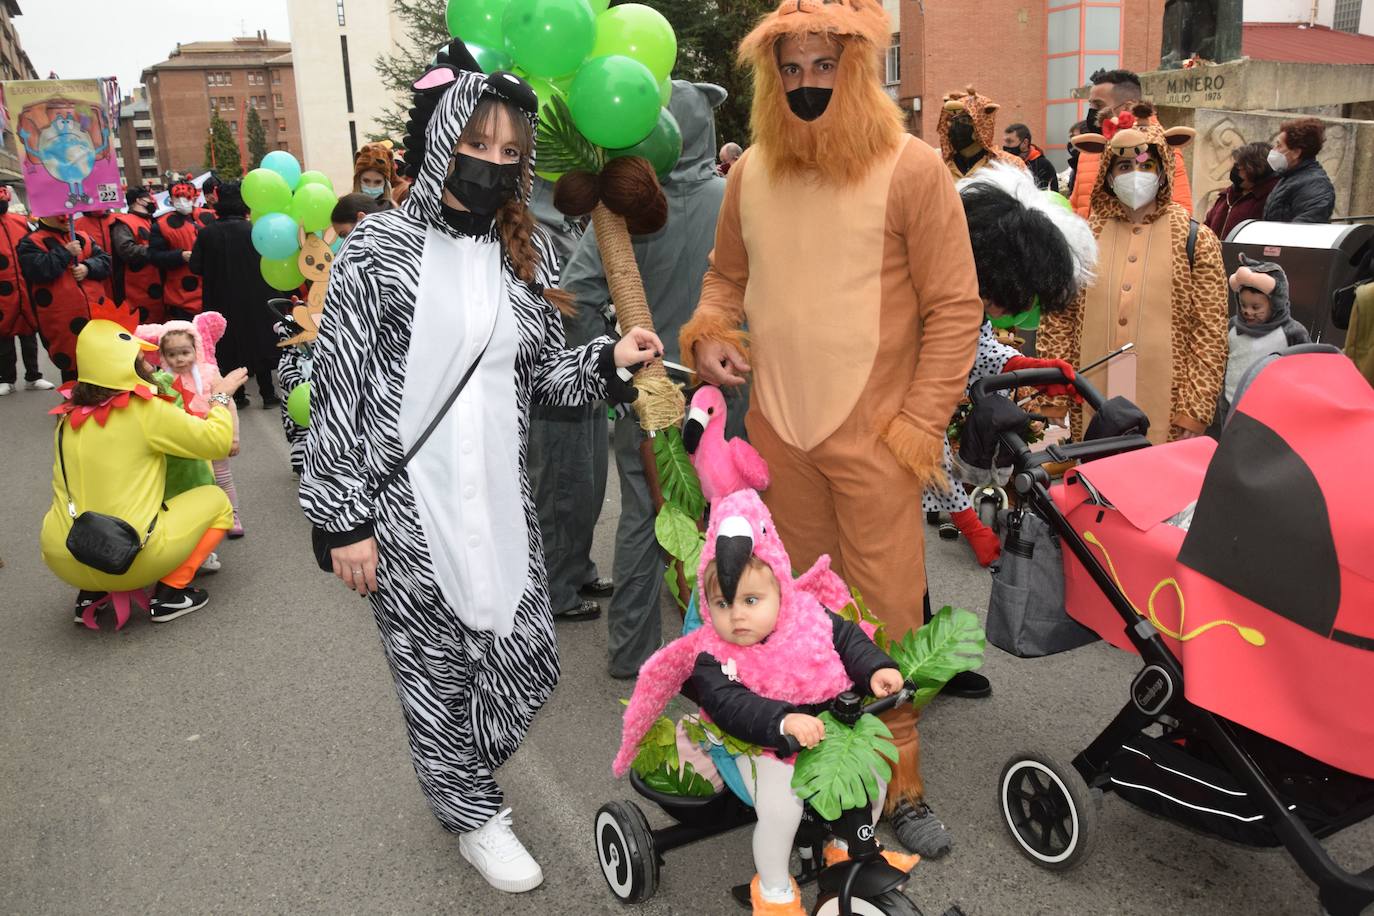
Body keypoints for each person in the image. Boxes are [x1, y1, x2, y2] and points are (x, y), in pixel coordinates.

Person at [298, 47, 663, 892]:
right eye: (478, 142)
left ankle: (451, 771)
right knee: (434, 672)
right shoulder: (376, 253)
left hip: (500, 504)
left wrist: (611, 357)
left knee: (527, 660)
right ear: (438, 139)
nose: (494, 164)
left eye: (511, 151)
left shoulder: (509, 257)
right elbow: (340, 393)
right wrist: (341, 520)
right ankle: (473, 811)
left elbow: (539, 379)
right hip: (405, 508)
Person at [679, 0, 983, 857]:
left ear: (856, 69)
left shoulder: (914, 169)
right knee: (797, 609)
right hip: (779, 437)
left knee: (885, 612)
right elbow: (722, 281)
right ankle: (811, 763)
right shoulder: (751, 175)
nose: (807, 84)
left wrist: (917, 424)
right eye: (792, 69)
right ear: (771, 77)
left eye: (824, 67)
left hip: (876, 439)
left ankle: (905, 780)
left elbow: (955, 308)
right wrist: (710, 339)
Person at [612, 489, 918, 916]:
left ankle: (845, 848)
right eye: (723, 603)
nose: (737, 616)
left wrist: (875, 668)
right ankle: (774, 891)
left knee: (870, 771)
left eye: (751, 601)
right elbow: (731, 707)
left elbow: (847, 639)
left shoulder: (808, 615)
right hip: (756, 745)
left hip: (825, 729)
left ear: (781, 592)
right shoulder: (713, 655)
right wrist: (782, 723)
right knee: (782, 805)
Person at [562, 79, 733, 677]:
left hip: (648, 389)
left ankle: (633, 651)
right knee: (732, 514)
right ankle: (733, 643)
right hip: (729, 391)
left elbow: (574, 295)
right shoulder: (734, 200)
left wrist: (601, 363)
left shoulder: (623, 211)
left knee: (644, 516)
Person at [923, 162, 1096, 568]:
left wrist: (1025, 363)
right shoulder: (920, 306)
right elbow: (922, 436)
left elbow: (975, 347)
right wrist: (967, 520)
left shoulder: (972, 291)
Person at [40, 302, 242, 625]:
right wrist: (221, 396)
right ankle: (171, 594)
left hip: (65, 554)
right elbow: (215, 441)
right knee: (218, 503)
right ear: (127, 366)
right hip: (129, 554)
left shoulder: (67, 418)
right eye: (140, 359)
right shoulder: (143, 411)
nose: (148, 364)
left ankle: (90, 593)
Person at [1038, 104, 1229, 444]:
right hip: (1094, 390)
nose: (1134, 174)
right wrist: (1053, 398)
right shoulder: (1084, 237)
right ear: (1109, 173)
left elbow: (1209, 333)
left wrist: (1195, 409)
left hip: (1164, 401)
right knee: (1095, 481)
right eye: (1123, 165)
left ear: (1162, 168)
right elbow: (1059, 319)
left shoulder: (1195, 238)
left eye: (1144, 164)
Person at [526, 175, 610, 624]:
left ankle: (578, 569)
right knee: (559, 487)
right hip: (556, 384)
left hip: (589, 370)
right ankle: (555, 589)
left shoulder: (565, 224)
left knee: (587, 484)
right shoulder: (528, 232)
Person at [138, 313, 246, 541]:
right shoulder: (162, 380)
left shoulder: (209, 374)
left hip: (213, 434)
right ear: (163, 356)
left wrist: (233, 437)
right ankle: (199, 521)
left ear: (196, 349)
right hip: (185, 442)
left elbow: (229, 405)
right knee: (194, 484)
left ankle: (232, 515)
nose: (179, 359)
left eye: (185, 352)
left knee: (222, 477)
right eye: (172, 354)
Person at [189, 181, 281, 410]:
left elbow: (195, 266)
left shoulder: (207, 233)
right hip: (254, 295)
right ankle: (268, 393)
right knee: (257, 340)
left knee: (229, 345)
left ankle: (237, 396)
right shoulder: (255, 231)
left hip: (220, 298)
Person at [1069, 69, 1192, 217]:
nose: (1092, 111)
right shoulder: (1092, 149)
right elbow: (1076, 207)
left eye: (1099, 105)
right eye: (1091, 105)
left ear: (1128, 107)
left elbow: (1181, 209)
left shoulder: (1160, 148)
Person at [17, 213, 112, 381]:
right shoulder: (31, 242)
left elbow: (105, 261)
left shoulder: (82, 236)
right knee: (74, 366)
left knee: (104, 363)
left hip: (97, 312)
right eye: (61, 216)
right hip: (62, 318)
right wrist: (65, 252)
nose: (67, 219)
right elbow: (38, 271)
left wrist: (88, 267)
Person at [1220, 254, 1310, 419]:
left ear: (1275, 304)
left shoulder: (1292, 332)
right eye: (1243, 305)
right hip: (1231, 406)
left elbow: (1306, 372)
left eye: (1256, 307)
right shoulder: (1232, 327)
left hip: (1273, 410)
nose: (1248, 311)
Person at [0, 184, 51, 396]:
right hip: (3, 293)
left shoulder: (21, 222)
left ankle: (34, 376)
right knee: (3, 338)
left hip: (24, 288)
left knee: (29, 334)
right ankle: (6, 379)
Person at [148, 177, 216, 319]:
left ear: (194, 197)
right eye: (178, 197)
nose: (182, 200)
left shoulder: (210, 217)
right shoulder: (161, 225)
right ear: (171, 199)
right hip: (182, 296)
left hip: (213, 291)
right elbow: (154, 256)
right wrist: (180, 256)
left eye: (186, 197)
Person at [939, 86, 1025, 180]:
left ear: (982, 125)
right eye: (951, 120)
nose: (955, 126)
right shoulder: (940, 166)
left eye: (964, 120)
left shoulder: (1009, 165)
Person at [1263, 117, 1336, 224]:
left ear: (1296, 152)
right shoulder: (1289, 176)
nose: (1273, 150)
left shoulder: (1315, 185)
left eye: (1279, 146)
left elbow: (1303, 230)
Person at [109, 187, 166, 323]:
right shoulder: (124, 223)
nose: (153, 201)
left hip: (156, 282)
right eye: (149, 198)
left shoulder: (152, 221)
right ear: (139, 201)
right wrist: (154, 252)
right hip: (137, 287)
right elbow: (126, 250)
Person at [1204, 141, 1278, 241]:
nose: (1235, 170)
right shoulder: (1226, 196)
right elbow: (1205, 228)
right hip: (1212, 255)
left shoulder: (1269, 199)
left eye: (1240, 166)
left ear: (1254, 168)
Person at [1003, 122, 1058, 191]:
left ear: (1025, 143)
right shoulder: (1003, 163)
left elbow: (1051, 194)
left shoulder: (1043, 166)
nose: (1005, 146)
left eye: (1009, 141)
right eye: (1005, 141)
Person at [352, 142, 399, 209]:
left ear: (386, 183)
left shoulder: (393, 209)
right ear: (358, 180)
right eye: (366, 181)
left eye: (378, 182)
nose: (371, 187)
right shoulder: (346, 206)